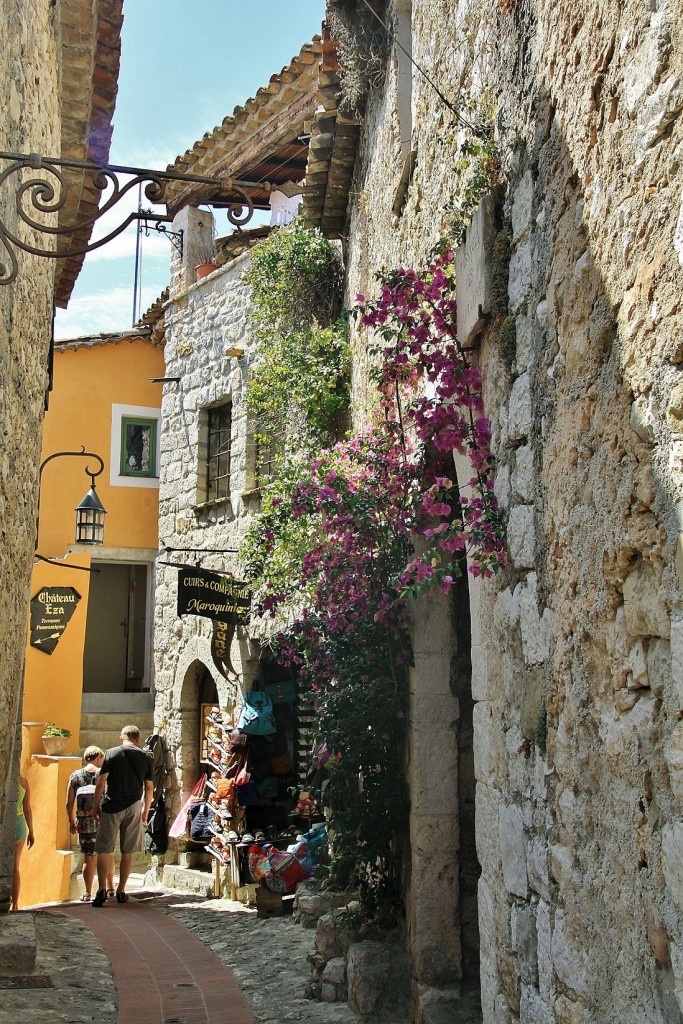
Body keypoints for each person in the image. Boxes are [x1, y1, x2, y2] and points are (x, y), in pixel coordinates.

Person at [91, 724, 153, 907]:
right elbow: (149, 788)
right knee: (128, 850)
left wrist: (96, 806)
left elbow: (101, 783)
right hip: (134, 805)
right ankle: (121, 890)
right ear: (137, 739)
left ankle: (102, 889)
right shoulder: (146, 757)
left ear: (121, 738)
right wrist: (146, 810)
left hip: (111, 805)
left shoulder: (111, 753)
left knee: (104, 849)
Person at [66, 746, 115, 902]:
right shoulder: (104, 773)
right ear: (99, 756)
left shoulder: (75, 776)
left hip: (84, 821)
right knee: (106, 853)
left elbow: (69, 802)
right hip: (103, 818)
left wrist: (71, 821)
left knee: (89, 856)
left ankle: (87, 893)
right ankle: (110, 887)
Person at [12, 774, 34, 911]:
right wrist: (31, 831)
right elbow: (27, 808)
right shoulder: (23, 781)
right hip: (19, 823)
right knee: (15, 868)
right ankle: (15, 905)